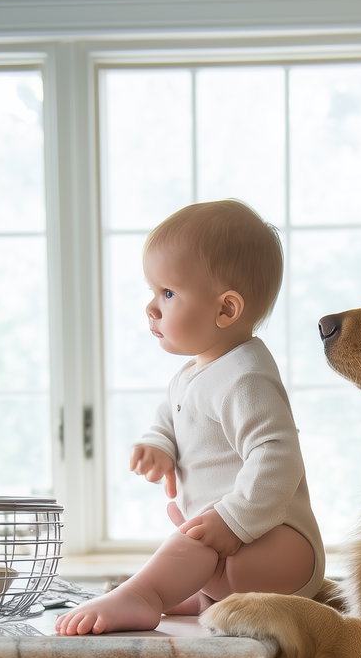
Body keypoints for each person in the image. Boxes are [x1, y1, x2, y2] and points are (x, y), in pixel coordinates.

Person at [55, 199, 325, 635]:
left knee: (194, 539)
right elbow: (172, 416)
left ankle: (143, 594)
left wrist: (233, 519)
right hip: (235, 551)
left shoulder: (246, 377)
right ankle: (201, 593)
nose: (151, 307)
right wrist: (158, 444)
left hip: (279, 548)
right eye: (152, 292)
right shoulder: (195, 373)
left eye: (167, 293)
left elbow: (278, 456)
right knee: (195, 538)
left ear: (225, 310)